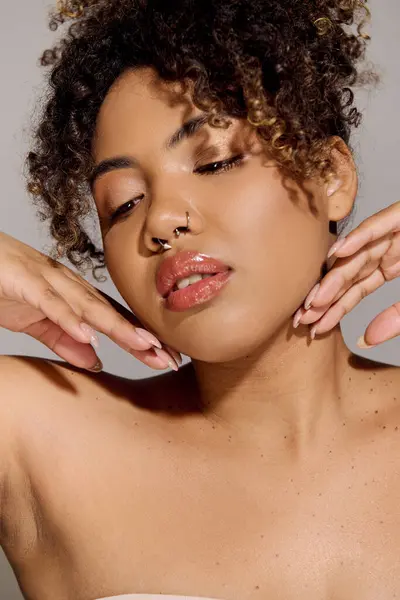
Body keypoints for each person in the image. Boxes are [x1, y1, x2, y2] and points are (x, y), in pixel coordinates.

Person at [0, 0, 399, 599]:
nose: (160, 220)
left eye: (215, 162)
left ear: (330, 174)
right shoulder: (35, 433)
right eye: (124, 204)